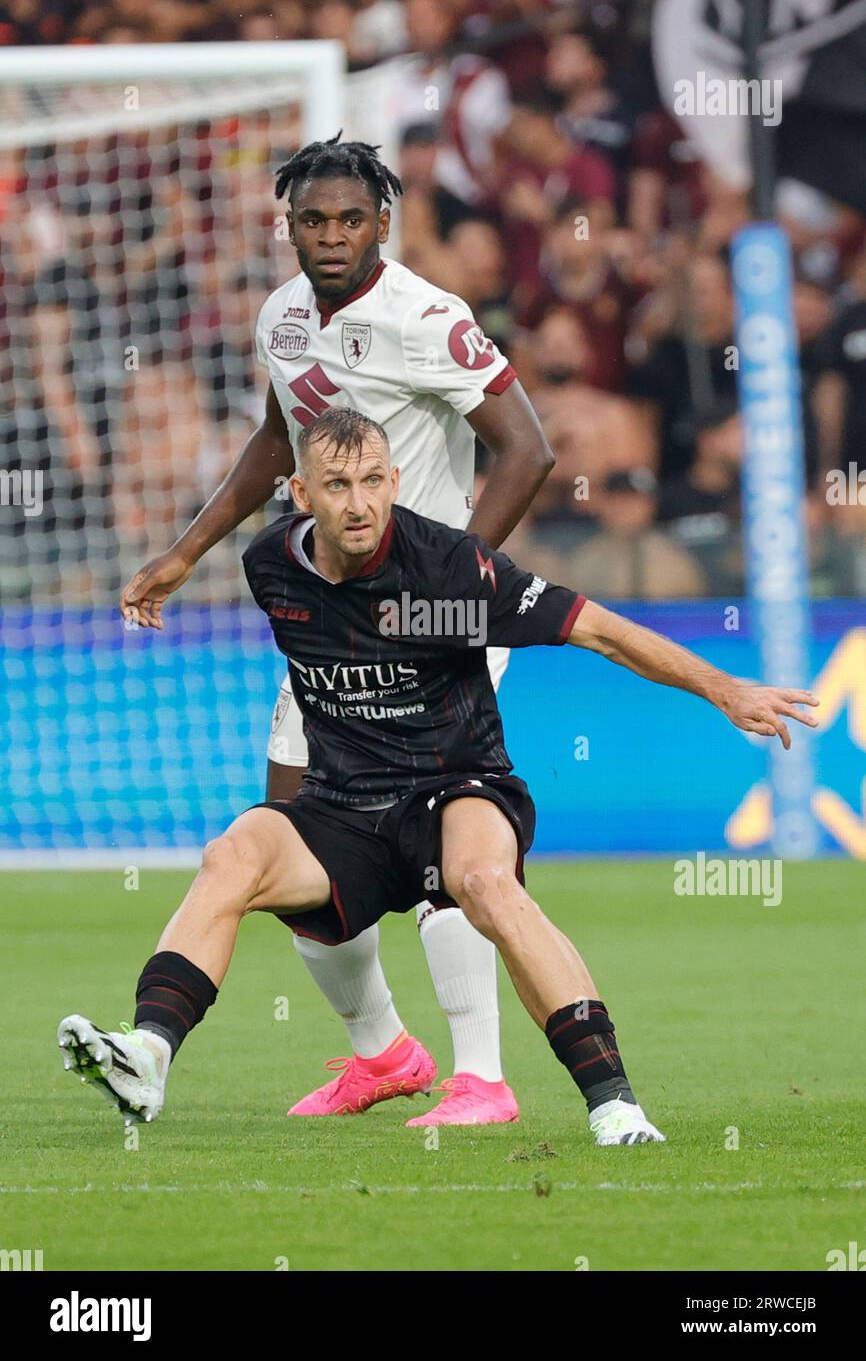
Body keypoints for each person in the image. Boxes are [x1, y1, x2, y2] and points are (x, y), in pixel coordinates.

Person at [60, 409, 818, 1145]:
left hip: (456, 787)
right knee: (233, 853)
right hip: (343, 808)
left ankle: (614, 1105)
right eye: (335, 485)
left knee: (486, 883)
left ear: (394, 481)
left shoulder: (451, 571)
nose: (357, 505)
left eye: (370, 482)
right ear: (300, 495)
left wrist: (726, 689)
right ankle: (150, 1055)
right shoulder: (270, 567)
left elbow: (599, 630)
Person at [119, 135, 556, 1127]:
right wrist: (187, 552)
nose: (328, 236)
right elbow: (276, 443)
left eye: (348, 219)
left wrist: (455, 588)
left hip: (433, 620)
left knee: (451, 833)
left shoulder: (426, 320)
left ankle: (481, 1077)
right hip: (329, 620)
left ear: (381, 224)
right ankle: (383, 1055)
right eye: (310, 220)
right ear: (287, 224)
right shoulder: (280, 317)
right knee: (290, 829)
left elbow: (527, 450)